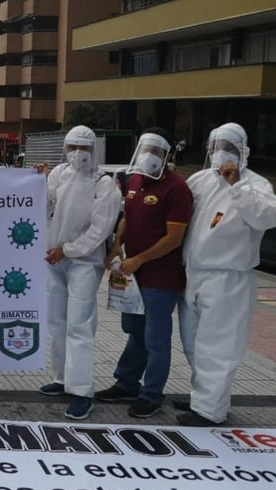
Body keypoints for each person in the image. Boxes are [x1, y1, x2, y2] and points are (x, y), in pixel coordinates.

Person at [176, 123, 276, 426]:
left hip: (228, 277)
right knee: (193, 342)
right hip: (194, 274)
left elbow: (268, 216)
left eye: (230, 147)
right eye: (217, 146)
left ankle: (210, 410)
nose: (222, 152)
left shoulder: (255, 185)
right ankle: (204, 396)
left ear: (243, 151)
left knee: (218, 345)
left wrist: (237, 186)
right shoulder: (200, 180)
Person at [97, 128, 193, 418]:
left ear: (167, 155)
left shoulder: (177, 189)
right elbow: (127, 217)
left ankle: (151, 394)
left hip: (160, 277)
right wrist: (117, 245)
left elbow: (174, 238)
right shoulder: (135, 180)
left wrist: (139, 259)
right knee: (134, 332)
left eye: (156, 151)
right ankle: (127, 383)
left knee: (156, 339)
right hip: (133, 275)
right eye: (146, 149)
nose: (150, 155)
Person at [39, 126, 122, 420]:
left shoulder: (104, 183)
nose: (77, 153)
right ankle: (62, 378)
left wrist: (68, 250)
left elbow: (100, 230)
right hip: (54, 258)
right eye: (72, 147)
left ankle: (81, 391)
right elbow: (44, 206)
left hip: (84, 262)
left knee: (79, 325)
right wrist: (34, 182)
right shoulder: (58, 174)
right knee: (57, 321)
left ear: (93, 150)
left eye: (84, 148)